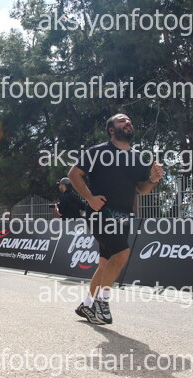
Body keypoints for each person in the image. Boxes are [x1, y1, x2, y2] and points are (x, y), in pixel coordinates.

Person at [69, 113, 163, 324]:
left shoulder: (138, 157)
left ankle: (86, 305)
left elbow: (142, 189)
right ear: (112, 130)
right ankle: (102, 304)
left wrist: (153, 179)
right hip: (101, 212)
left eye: (129, 120)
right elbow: (74, 174)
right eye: (122, 120)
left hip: (123, 216)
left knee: (105, 263)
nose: (128, 122)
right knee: (121, 254)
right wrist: (89, 198)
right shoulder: (97, 151)